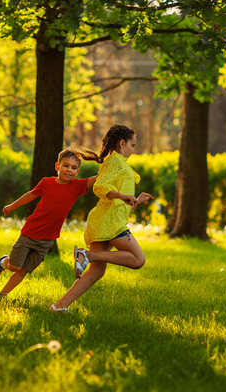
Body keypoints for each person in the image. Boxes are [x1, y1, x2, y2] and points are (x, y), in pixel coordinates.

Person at [49, 124, 153, 314]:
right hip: (110, 223)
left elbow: (119, 197)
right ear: (122, 143)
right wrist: (122, 196)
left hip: (107, 221)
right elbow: (100, 187)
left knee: (96, 271)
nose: (133, 149)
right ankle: (86, 255)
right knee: (138, 259)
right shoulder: (115, 162)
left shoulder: (119, 163)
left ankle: (59, 306)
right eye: (132, 145)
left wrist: (136, 200)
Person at [0, 148, 98, 297]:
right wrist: (12, 206)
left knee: (23, 271)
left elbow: (98, 178)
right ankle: (3, 262)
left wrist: (113, 164)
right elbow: (30, 195)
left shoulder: (77, 187)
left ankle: (2, 295)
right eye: (65, 165)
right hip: (30, 233)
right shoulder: (47, 183)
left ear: (77, 172)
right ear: (57, 166)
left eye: (73, 168)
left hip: (47, 240)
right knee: (14, 266)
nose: (69, 170)